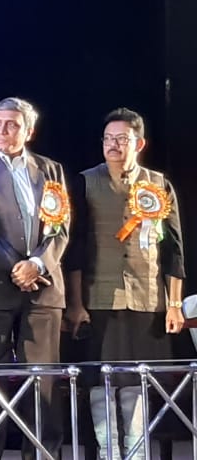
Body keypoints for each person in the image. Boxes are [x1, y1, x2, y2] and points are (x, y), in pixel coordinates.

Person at [63, 108, 185, 459]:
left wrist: (174, 304)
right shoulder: (85, 182)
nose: (113, 145)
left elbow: (174, 250)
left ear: (139, 143)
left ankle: (136, 451)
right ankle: (109, 451)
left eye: (121, 139)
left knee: (137, 382)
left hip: (148, 300)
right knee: (101, 382)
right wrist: (75, 305)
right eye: (108, 138)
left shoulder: (159, 185)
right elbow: (74, 249)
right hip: (98, 299)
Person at [0, 97, 69, 460]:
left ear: (28, 131)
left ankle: (43, 454)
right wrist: (15, 269)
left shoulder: (50, 170)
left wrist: (38, 263)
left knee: (44, 383)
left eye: (12, 124)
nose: (3, 130)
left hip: (44, 289)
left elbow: (61, 227)